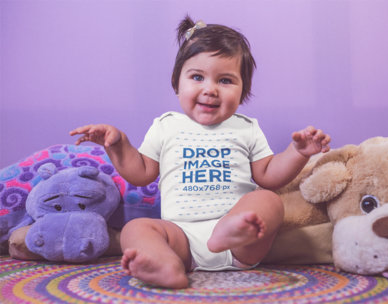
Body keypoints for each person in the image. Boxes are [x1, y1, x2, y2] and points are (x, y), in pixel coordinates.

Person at [70, 16, 331, 289]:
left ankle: (227, 231)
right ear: (176, 83)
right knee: (136, 229)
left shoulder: (245, 128)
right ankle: (164, 264)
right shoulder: (166, 126)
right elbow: (141, 172)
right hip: (180, 236)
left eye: (225, 80)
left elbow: (268, 175)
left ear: (243, 92)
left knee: (269, 200)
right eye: (197, 77)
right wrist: (118, 144)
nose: (210, 89)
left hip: (241, 240)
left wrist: (298, 152)